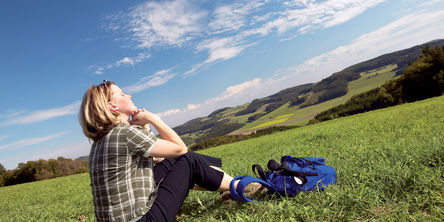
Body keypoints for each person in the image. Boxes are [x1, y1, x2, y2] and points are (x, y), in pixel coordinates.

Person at [79, 80, 240, 222]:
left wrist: (143, 127)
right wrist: (152, 118)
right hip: (142, 219)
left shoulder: (102, 140)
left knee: (172, 161)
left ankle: (229, 187)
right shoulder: (124, 133)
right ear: (112, 106)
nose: (129, 95)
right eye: (122, 94)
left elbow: (158, 158)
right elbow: (180, 148)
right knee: (188, 160)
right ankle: (241, 187)